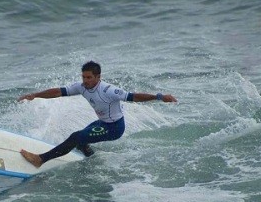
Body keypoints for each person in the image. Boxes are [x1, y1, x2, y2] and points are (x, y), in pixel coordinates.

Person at [17, 61, 177, 168]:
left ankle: (41, 159)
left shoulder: (109, 90)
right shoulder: (81, 87)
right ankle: (92, 161)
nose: (85, 80)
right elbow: (59, 91)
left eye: (89, 77)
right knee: (81, 142)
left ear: (98, 77)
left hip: (114, 128)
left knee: (76, 137)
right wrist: (35, 95)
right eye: (83, 77)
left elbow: (133, 96)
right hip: (102, 123)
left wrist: (158, 97)